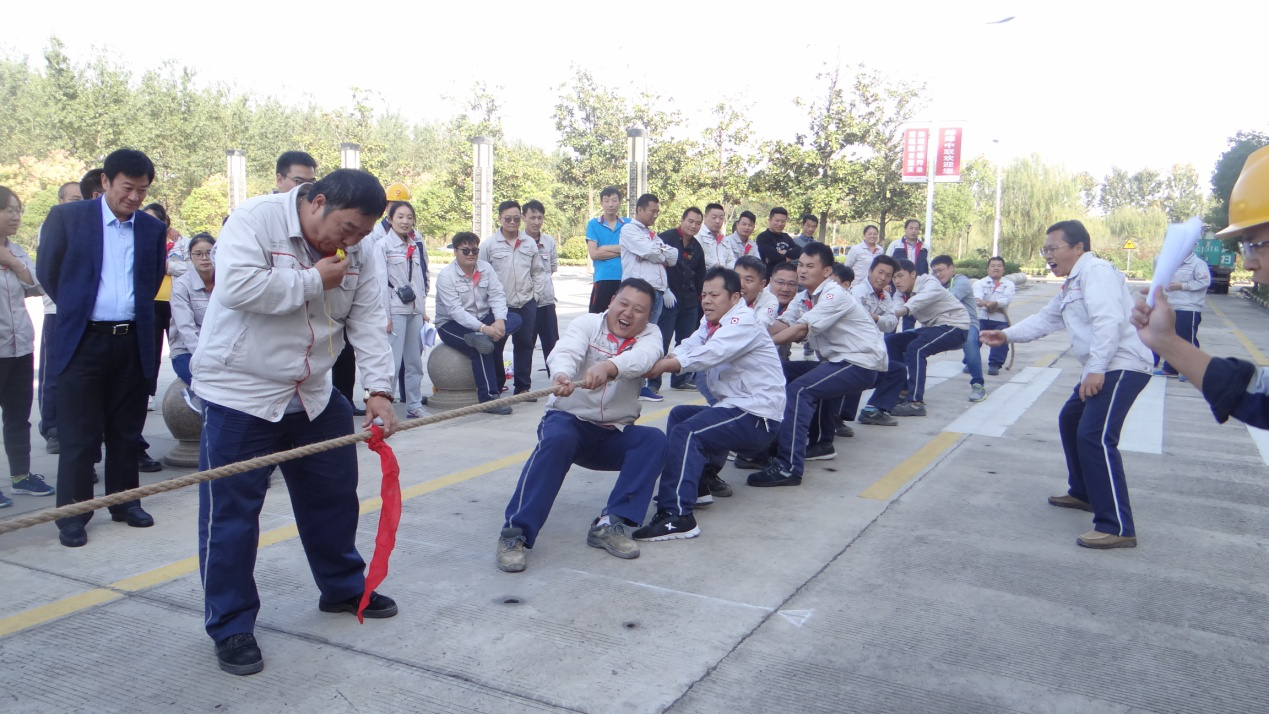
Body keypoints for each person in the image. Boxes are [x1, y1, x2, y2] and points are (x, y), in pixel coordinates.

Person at [193, 169, 400, 675]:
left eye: (362, 234)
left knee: (334, 499)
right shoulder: (255, 220)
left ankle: (342, 587)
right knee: (231, 518)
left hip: (313, 393)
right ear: (317, 202)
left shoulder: (361, 248)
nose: (351, 242)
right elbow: (237, 287)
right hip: (242, 394)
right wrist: (313, 280)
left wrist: (378, 389)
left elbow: (367, 319)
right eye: (347, 229)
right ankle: (231, 623)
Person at [981, 220, 1151, 549]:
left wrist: (1096, 369)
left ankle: (1117, 526)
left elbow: (1108, 320)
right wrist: (1006, 335)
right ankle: (1084, 492)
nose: (1048, 255)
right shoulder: (1073, 281)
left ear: (1078, 248)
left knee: (1095, 436)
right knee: (1071, 420)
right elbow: (1046, 319)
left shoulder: (1096, 272)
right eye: (1045, 249)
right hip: (1103, 365)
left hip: (1122, 365)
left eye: (1052, 248)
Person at [36, 149, 167, 548]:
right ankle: (73, 515)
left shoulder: (150, 229)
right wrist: (80, 308)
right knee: (80, 435)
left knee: (126, 431)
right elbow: (48, 272)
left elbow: (152, 280)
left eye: (142, 190)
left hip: (132, 341)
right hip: (84, 340)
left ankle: (125, 502)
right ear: (106, 182)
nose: (134, 197)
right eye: (127, 188)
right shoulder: (69, 218)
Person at [496, 279, 665, 573]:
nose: (628, 313)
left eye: (639, 310)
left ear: (648, 317)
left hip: (614, 433)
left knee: (654, 441)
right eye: (623, 304)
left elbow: (643, 359)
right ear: (611, 301)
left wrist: (609, 367)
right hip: (569, 422)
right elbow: (566, 351)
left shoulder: (651, 336)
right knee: (557, 439)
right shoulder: (587, 324)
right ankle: (515, 532)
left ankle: (610, 524)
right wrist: (562, 374)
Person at [637, 267, 785, 540]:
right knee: (680, 415)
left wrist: (665, 366)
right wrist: (662, 359)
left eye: (714, 295)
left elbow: (711, 353)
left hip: (757, 415)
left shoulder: (743, 322)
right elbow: (688, 345)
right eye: (704, 295)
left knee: (688, 432)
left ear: (735, 297)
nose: (706, 300)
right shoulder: (711, 323)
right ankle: (697, 488)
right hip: (735, 407)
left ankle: (676, 515)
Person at [1131, 145, 1269, 429]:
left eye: (1255, 244)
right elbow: (1261, 398)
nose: (1248, 263)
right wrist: (1164, 340)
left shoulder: (1199, 264)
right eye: (1245, 247)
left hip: (1191, 307)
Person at [748, 243, 892, 486]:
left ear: (826, 271)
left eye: (810, 266)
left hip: (861, 362)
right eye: (801, 265)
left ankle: (788, 467)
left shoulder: (834, 295)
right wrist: (744, 333)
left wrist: (758, 345)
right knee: (778, 371)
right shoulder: (804, 296)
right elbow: (783, 324)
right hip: (836, 361)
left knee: (799, 391)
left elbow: (800, 329)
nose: (802, 271)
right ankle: (813, 444)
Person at [0, 186, 55, 509]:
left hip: (19, 348)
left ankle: (21, 476)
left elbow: (38, 286)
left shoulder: (17, 251)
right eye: (8, 210)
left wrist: (13, 263)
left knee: (18, 417)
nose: (15, 216)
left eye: (18, 210)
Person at [863, 258, 969, 419]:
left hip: (955, 326)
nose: (897, 281)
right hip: (932, 329)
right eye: (894, 277)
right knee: (892, 341)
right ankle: (903, 390)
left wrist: (890, 314)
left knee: (916, 348)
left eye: (900, 276)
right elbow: (894, 310)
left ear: (913, 274)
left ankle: (915, 402)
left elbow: (915, 303)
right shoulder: (900, 293)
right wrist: (879, 318)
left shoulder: (929, 283)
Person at [435, 232, 523, 415]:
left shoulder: (485, 268)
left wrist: (499, 321)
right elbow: (456, 312)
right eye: (465, 250)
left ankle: (488, 338)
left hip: (483, 319)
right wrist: (484, 329)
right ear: (455, 251)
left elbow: (497, 295)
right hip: (451, 325)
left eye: (474, 250)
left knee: (516, 318)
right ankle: (488, 400)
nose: (470, 254)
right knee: (481, 347)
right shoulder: (446, 276)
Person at [39, 171, 95, 454]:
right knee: (55, 372)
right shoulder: (55, 223)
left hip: (86, 315)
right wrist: (68, 301)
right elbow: (46, 271)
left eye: (82, 199)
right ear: (60, 201)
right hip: (58, 311)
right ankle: (52, 427)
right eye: (74, 199)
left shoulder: (89, 224)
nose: (79, 203)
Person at [482, 200, 544, 397]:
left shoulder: (529, 243)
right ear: (500, 218)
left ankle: (523, 387)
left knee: (525, 345)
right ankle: (497, 386)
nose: (512, 222)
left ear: (521, 219)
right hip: (500, 307)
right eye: (507, 219)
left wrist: (535, 296)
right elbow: (481, 276)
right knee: (496, 346)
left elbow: (538, 272)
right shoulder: (489, 245)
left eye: (516, 219)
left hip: (526, 303)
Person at [619, 193, 677, 402]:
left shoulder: (652, 235)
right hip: (640, 293)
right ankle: (632, 384)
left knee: (648, 337)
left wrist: (656, 252)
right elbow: (648, 251)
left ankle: (641, 384)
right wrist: (658, 253)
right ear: (640, 209)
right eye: (652, 211)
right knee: (634, 336)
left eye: (657, 212)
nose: (655, 215)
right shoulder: (629, 230)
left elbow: (673, 256)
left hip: (657, 292)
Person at [840, 255, 902, 430]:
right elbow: (855, 320)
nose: (882, 278)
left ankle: (873, 410)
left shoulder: (886, 297)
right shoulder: (857, 293)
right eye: (880, 272)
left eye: (888, 275)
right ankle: (838, 418)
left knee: (897, 370)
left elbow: (891, 324)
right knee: (860, 367)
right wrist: (879, 319)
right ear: (870, 271)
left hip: (872, 351)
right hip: (852, 349)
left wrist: (876, 318)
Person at [379, 201, 429, 418]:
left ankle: (414, 405)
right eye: (400, 216)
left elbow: (422, 278)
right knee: (392, 363)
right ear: (390, 219)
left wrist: (422, 309)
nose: (405, 221)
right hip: (395, 311)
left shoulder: (416, 245)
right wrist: (385, 315)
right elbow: (380, 283)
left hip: (414, 312)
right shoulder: (383, 246)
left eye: (409, 217)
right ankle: (384, 410)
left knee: (414, 362)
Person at [653, 207, 705, 393]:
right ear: (682, 220)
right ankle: (653, 382)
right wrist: (665, 289)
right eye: (690, 221)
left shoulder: (697, 247)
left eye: (698, 223)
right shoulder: (666, 238)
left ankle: (680, 379)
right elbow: (656, 265)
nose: (693, 226)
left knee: (686, 342)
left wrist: (701, 301)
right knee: (661, 341)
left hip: (689, 301)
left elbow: (700, 277)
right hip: (668, 299)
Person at [168, 233, 215, 409]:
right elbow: (186, 329)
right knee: (214, 388)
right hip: (187, 352)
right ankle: (195, 397)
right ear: (190, 256)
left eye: (209, 253)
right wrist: (204, 360)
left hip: (219, 351)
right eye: (198, 254)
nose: (204, 258)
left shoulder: (226, 282)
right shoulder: (181, 285)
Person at [931, 255, 986, 403]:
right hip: (945, 325)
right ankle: (906, 388)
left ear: (951, 268)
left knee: (970, 342)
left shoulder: (961, 282)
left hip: (967, 325)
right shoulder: (934, 283)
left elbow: (951, 298)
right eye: (935, 272)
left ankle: (978, 385)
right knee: (911, 340)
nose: (938, 274)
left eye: (941, 270)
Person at [1151, 250, 1210, 378]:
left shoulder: (1198, 263)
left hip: (1189, 307)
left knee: (1187, 339)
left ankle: (1192, 371)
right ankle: (1170, 368)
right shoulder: (1170, 261)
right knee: (1170, 338)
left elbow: (1204, 282)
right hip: (1171, 305)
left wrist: (1181, 286)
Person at [524, 200, 560, 362]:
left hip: (546, 301)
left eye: (540, 218)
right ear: (524, 218)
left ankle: (556, 375)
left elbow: (552, 266)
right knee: (525, 345)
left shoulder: (549, 242)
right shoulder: (519, 241)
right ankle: (523, 379)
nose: (536, 222)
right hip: (526, 302)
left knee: (552, 344)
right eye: (532, 218)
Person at [586, 186, 627, 313]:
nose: (610, 204)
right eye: (607, 201)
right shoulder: (593, 224)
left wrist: (604, 248)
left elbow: (634, 249)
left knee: (622, 315)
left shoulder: (628, 224)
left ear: (620, 202)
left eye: (614, 200)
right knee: (597, 317)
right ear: (601, 203)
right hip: (603, 277)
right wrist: (622, 249)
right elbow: (594, 254)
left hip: (625, 277)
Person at [975, 256, 1015, 376]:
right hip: (981, 317)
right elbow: (977, 296)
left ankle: (994, 364)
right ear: (988, 268)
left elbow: (1006, 299)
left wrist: (995, 303)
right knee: (973, 336)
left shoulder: (1009, 284)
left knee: (1002, 336)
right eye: (993, 266)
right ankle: (971, 362)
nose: (996, 268)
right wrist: (980, 302)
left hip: (1000, 319)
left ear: (1003, 269)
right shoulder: (979, 283)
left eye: (999, 266)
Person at [734, 255, 780, 329]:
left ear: (762, 284)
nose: (741, 285)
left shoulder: (770, 300)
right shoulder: (724, 293)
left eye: (748, 280)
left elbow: (757, 327)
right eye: (737, 278)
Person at [756, 207, 802, 278]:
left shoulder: (786, 236)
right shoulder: (763, 237)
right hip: (770, 277)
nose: (780, 224)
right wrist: (790, 258)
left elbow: (799, 251)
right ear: (770, 220)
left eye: (783, 221)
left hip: (787, 277)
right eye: (777, 220)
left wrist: (785, 252)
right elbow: (774, 257)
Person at [697, 203, 735, 271]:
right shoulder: (698, 234)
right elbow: (699, 256)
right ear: (705, 217)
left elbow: (731, 260)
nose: (717, 221)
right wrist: (717, 266)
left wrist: (726, 271)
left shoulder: (724, 239)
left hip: (724, 275)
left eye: (721, 218)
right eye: (714, 217)